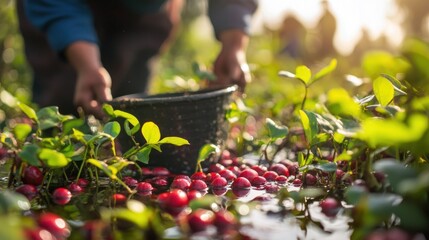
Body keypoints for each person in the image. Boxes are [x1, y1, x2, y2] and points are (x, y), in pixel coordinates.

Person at [17, 0, 258, 119]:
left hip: (147, 14)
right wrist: (86, 64)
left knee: (134, 109)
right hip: (69, 6)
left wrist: (234, 43)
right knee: (65, 103)